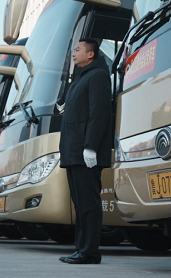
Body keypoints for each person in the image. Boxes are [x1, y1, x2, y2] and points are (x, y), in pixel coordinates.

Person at [59, 38, 112, 265]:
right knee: (79, 204)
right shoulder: (80, 79)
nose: (74, 53)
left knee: (89, 203)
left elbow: (98, 113)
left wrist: (90, 146)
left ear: (91, 54)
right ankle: (81, 249)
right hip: (73, 152)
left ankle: (90, 252)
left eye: (78, 49)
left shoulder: (98, 76)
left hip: (85, 152)